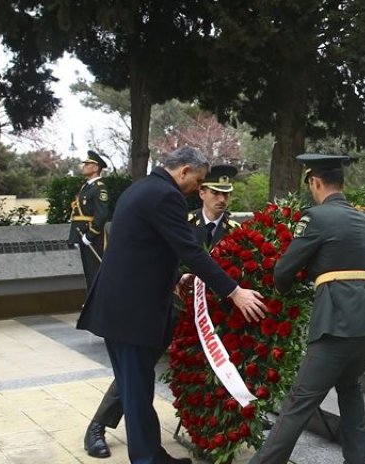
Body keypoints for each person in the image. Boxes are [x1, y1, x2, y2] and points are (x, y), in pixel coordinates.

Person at [78, 147, 267, 464]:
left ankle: (149, 454)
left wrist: (174, 279)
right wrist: (234, 292)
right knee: (136, 388)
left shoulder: (141, 188)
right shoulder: (167, 196)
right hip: (132, 311)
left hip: (119, 307)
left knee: (133, 385)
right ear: (184, 171)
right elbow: (190, 251)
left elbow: (147, 251)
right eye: (199, 180)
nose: (197, 188)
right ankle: (148, 458)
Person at [249, 153, 365, 464]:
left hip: (336, 322)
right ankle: (358, 460)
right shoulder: (363, 221)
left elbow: (284, 271)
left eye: (310, 184)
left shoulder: (318, 217)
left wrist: (284, 291)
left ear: (315, 181)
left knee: (299, 402)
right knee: (350, 388)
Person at [69, 150, 110, 291]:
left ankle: (98, 307)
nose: (84, 166)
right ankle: (93, 306)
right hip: (83, 234)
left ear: (96, 168)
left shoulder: (100, 188)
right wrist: (77, 236)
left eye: (88, 164)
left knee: (95, 273)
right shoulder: (86, 187)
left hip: (94, 237)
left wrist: (90, 235)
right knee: (89, 274)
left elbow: (102, 214)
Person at [188, 164, 240, 246]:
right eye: (215, 193)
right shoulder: (186, 224)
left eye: (226, 194)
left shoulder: (235, 230)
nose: (222, 199)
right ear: (202, 194)